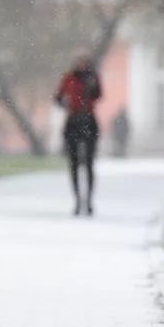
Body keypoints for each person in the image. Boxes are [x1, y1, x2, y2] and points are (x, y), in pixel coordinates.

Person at [54, 52, 103, 216]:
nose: (81, 64)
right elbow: (58, 97)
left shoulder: (92, 77)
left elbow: (98, 95)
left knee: (89, 164)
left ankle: (88, 201)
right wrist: (65, 103)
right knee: (74, 164)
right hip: (73, 121)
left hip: (88, 120)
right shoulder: (68, 78)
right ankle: (77, 200)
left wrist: (91, 86)